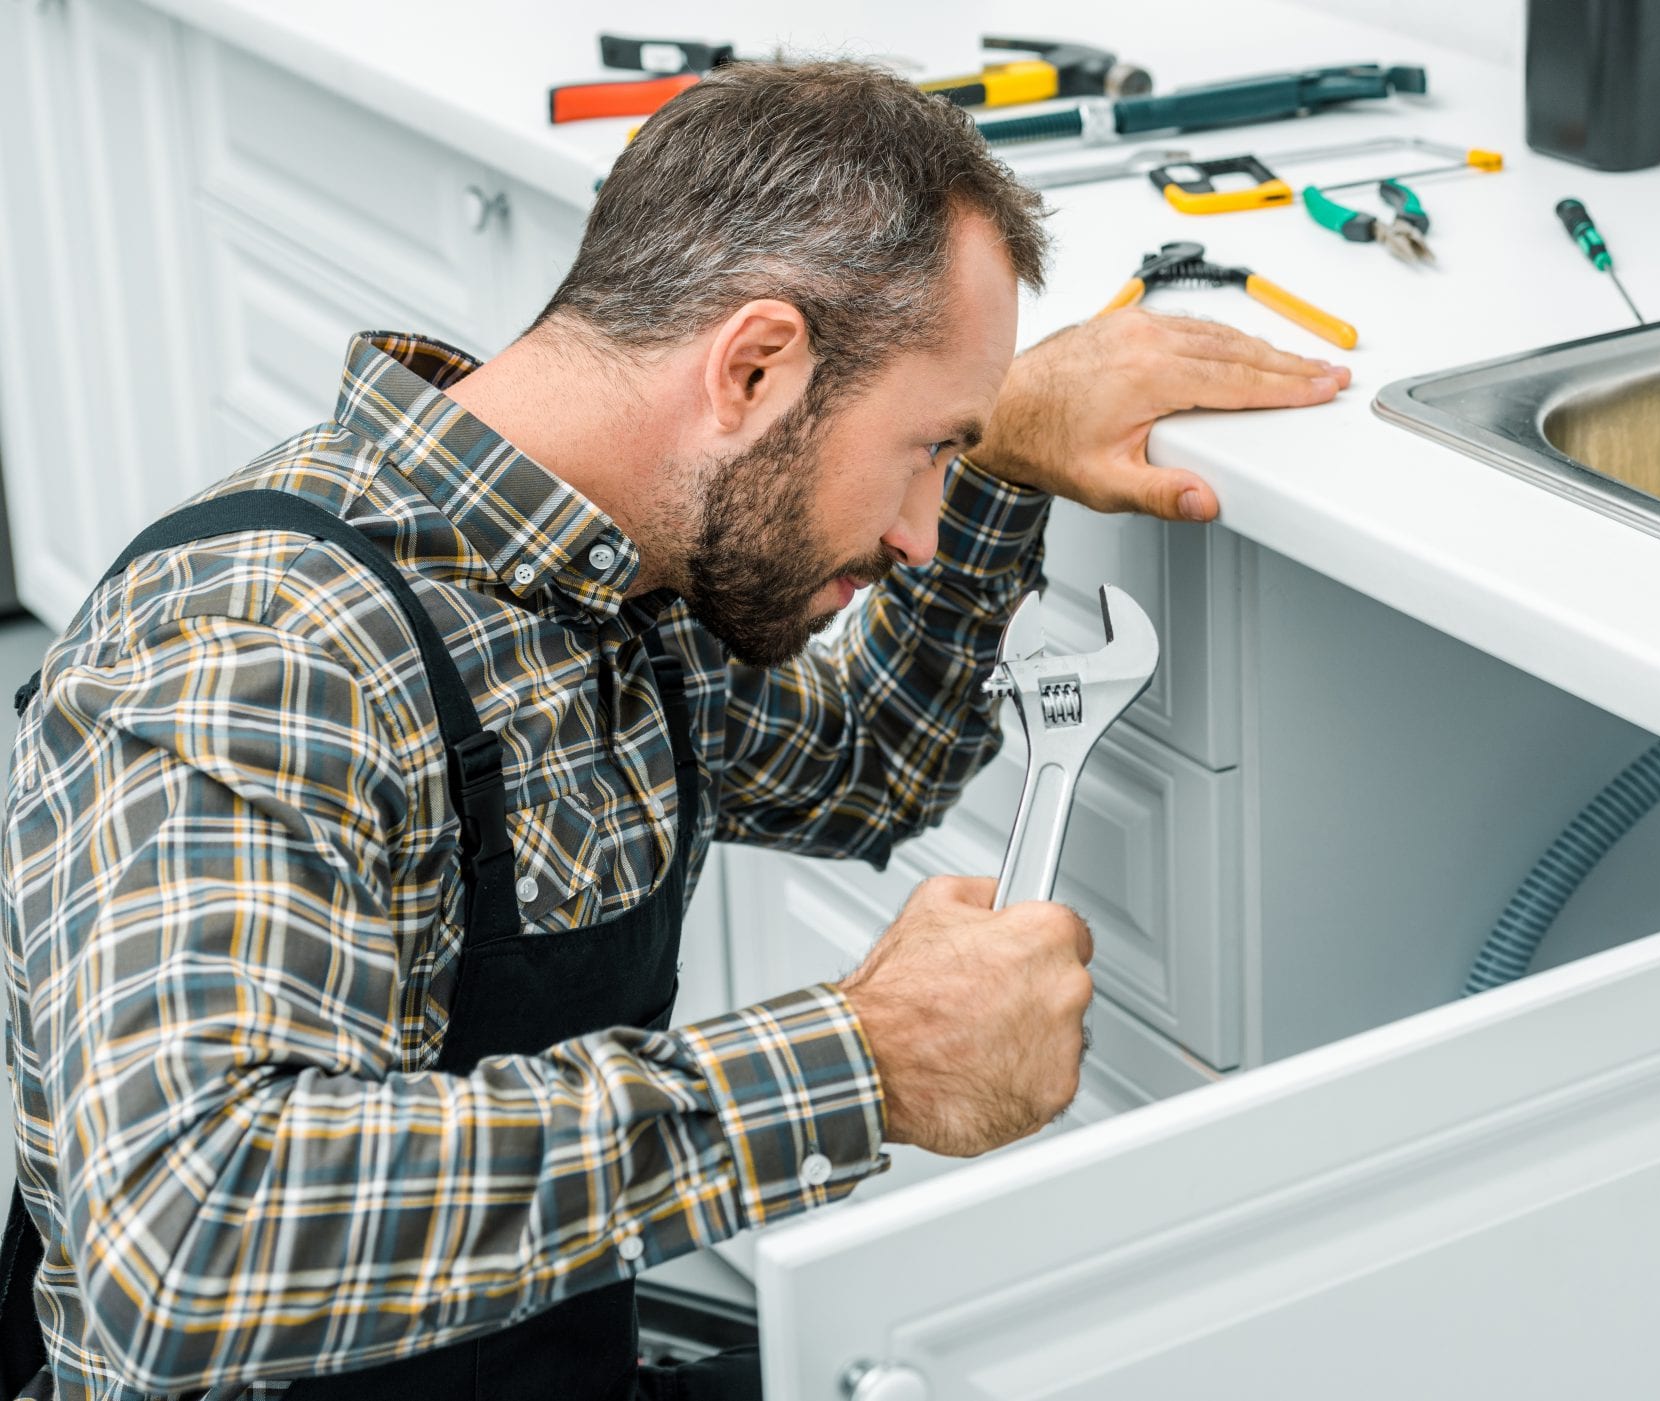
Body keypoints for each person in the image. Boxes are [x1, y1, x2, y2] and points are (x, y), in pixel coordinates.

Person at [0, 61, 1349, 1400]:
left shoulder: (624, 586)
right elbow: (181, 1238)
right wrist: (862, 1061)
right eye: (926, 451)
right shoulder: (260, 650)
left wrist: (995, 469)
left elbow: (864, 765)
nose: (920, 530)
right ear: (754, 367)